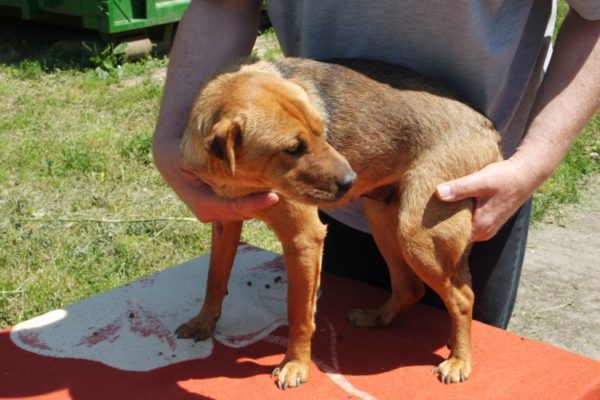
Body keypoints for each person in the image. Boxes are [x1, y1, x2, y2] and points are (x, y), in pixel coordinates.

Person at [153, 0, 600, 329]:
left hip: (468, 172)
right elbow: (223, 4)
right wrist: (174, 141)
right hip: (338, 192)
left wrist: (531, 164)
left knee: (440, 354)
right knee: (351, 356)